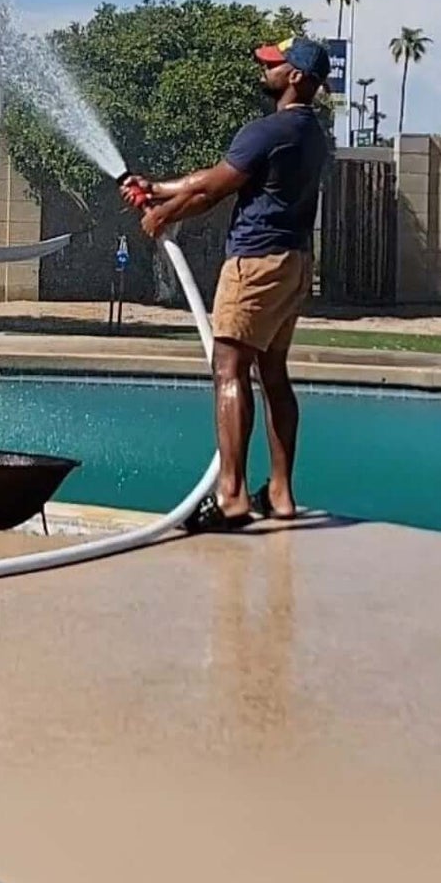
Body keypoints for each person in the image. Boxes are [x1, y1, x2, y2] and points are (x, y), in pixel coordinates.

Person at [120, 35, 331, 532]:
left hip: (255, 263)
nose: (266, 69)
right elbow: (214, 177)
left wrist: (161, 216)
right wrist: (158, 188)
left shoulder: (269, 129)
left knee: (229, 368)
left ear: (295, 77)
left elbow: (211, 191)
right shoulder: (310, 133)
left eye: (276, 65)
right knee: (272, 372)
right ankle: (280, 493)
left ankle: (231, 495)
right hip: (294, 262)